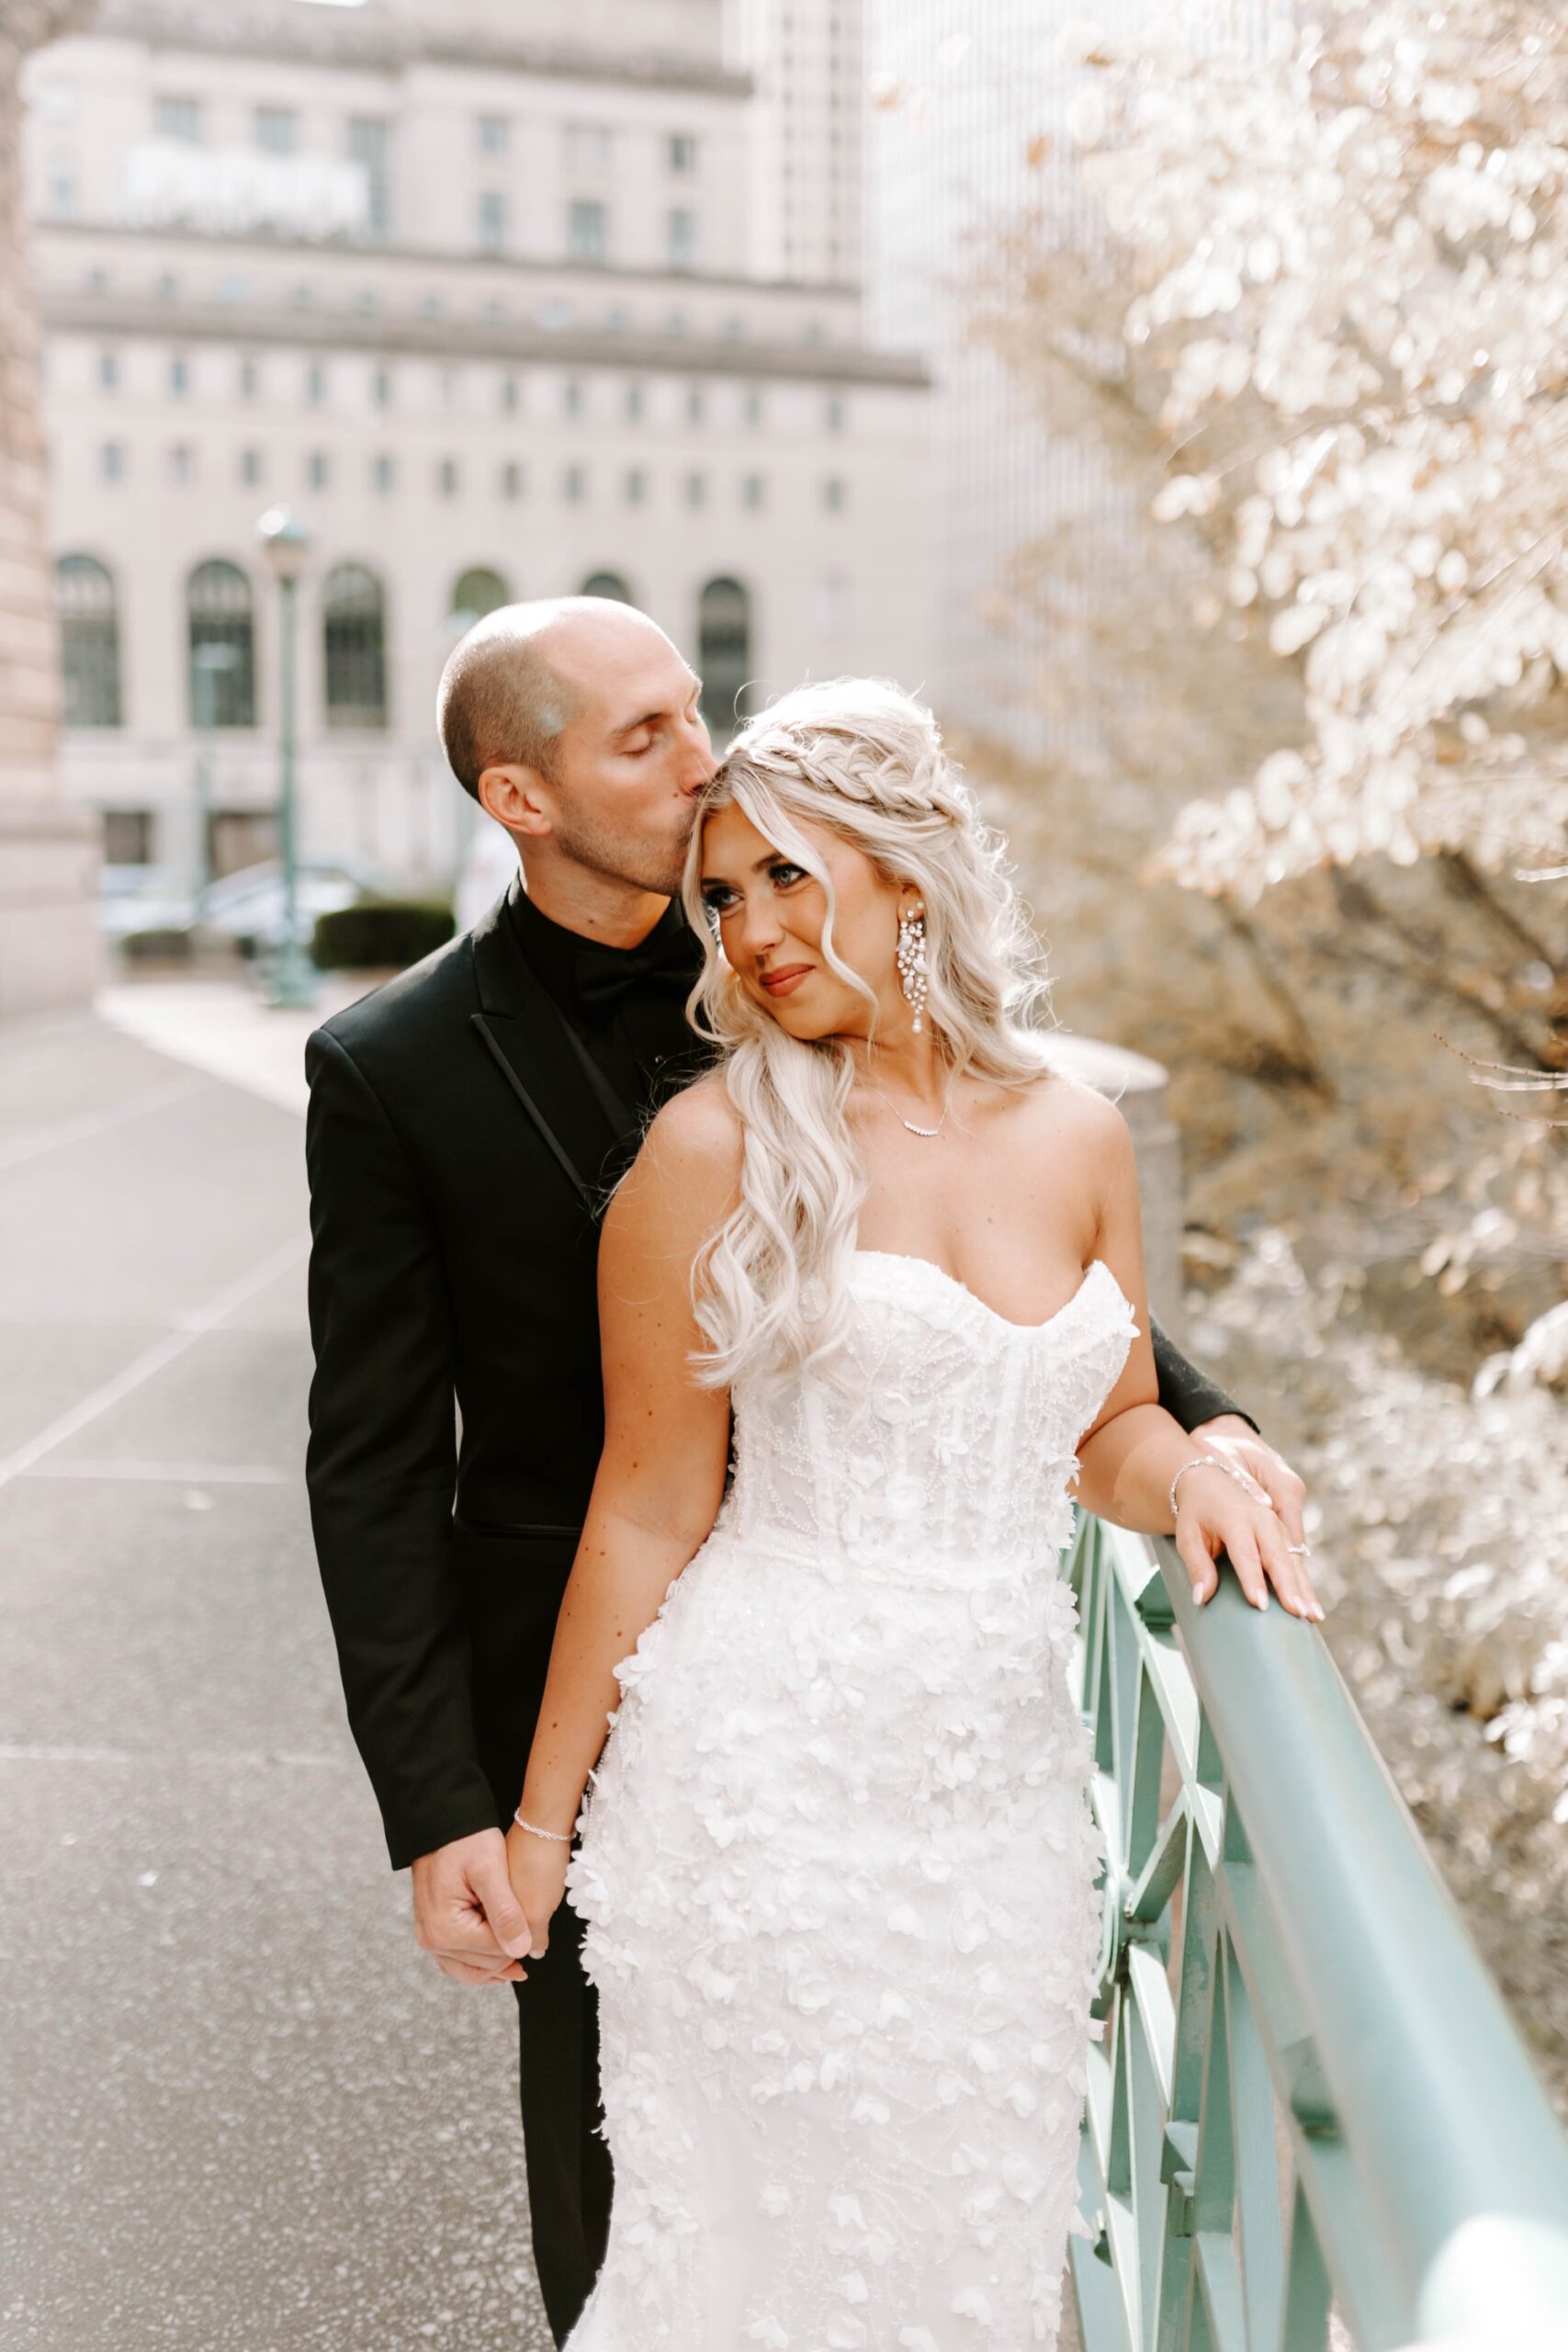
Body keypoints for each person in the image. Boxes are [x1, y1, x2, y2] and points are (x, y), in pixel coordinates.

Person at [303, 603, 1310, 2345]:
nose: (701, 762)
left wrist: (1205, 1447)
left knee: (958, 2243)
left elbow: (1072, 1368)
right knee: (669, 2233)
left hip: (987, 1779)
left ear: (901, 872)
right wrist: (474, 1813)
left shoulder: (1036, 1112)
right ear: (518, 796)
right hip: (690, 1732)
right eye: (651, 745)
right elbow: (418, 1473)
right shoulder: (450, 1083)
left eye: (703, 721)